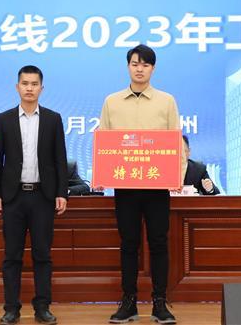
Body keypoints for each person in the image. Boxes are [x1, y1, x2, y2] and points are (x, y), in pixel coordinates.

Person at [99, 44, 180, 325]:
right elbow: (104, 141)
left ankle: (159, 303)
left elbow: (176, 140)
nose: (139, 69)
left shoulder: (166, 101)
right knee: (128, 244)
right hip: (126, 187)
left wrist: (177, 175)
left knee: (158, 243)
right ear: (128, 66)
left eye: (145, 64)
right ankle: (129, 302)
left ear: (153, 69)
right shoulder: (112, 101)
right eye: (135, 63)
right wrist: (102, 173)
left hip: (157, 186)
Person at [0, 65, 68, 325]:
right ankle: (11, 309)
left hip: (43, 197)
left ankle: (42, 307)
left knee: (42, 255)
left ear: (41, 88)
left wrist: (62, 193)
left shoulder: (53, 119)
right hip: (13, 198)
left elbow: (60, 159)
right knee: (12, 256)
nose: (29, 88)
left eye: (34, 84)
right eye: (25, 83)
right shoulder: (3, 120)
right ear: (17, 87)